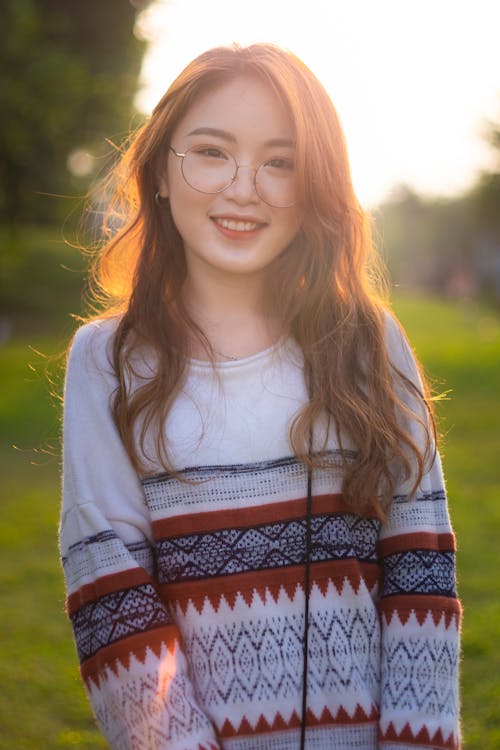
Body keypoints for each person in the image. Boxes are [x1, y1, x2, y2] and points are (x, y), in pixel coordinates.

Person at [59, 43, 461, 750]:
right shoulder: (108, 362)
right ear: (160, 170)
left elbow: (421, 568)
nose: (245, 188)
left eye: (281, 163)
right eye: (212, 152)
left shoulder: (371, 342)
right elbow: (110, 592)